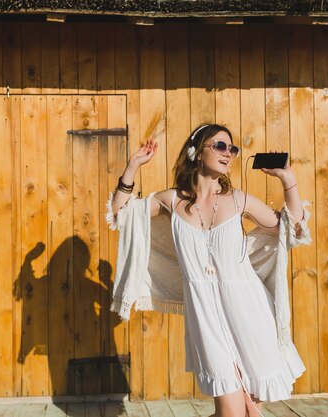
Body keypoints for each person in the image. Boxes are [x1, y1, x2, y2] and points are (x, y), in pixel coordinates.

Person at [106, 124, 311, 417]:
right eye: (219, 146)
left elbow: (293, 228)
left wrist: (287, 179)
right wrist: (133, 166)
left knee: (248, 413)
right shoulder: (171, 200)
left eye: (232, 149)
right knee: (232, 412)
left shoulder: (239, 200)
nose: (228, 153)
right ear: (197, 152)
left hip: (248, 314)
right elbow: (121, 214)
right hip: (204, 317)